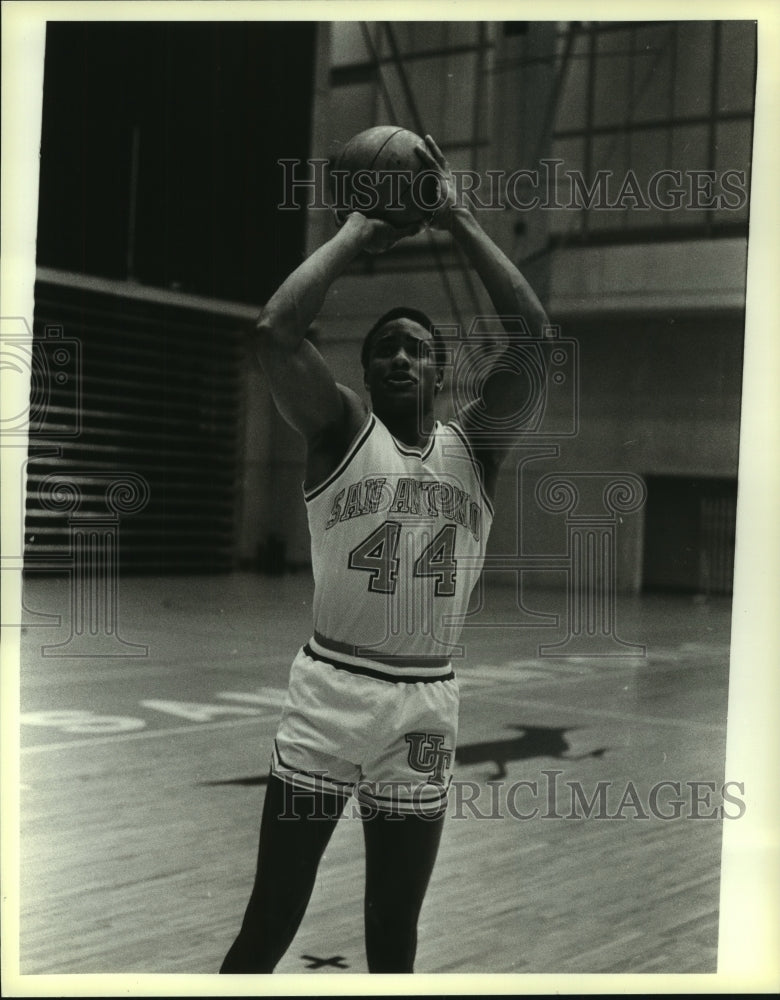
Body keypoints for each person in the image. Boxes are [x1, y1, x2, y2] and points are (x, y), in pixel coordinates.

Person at [220, 135, 548, 974]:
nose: (401, 355)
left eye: (417, 348)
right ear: (364, 375)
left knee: (394, 936)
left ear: (440, 373)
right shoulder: (338, 431)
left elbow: (536, 341)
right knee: (271, 920)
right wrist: (359, 231)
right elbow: (274, 331)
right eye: (384, 349)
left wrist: (456, 218)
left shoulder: (476, 449)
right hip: (331, 696)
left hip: (426, 709)